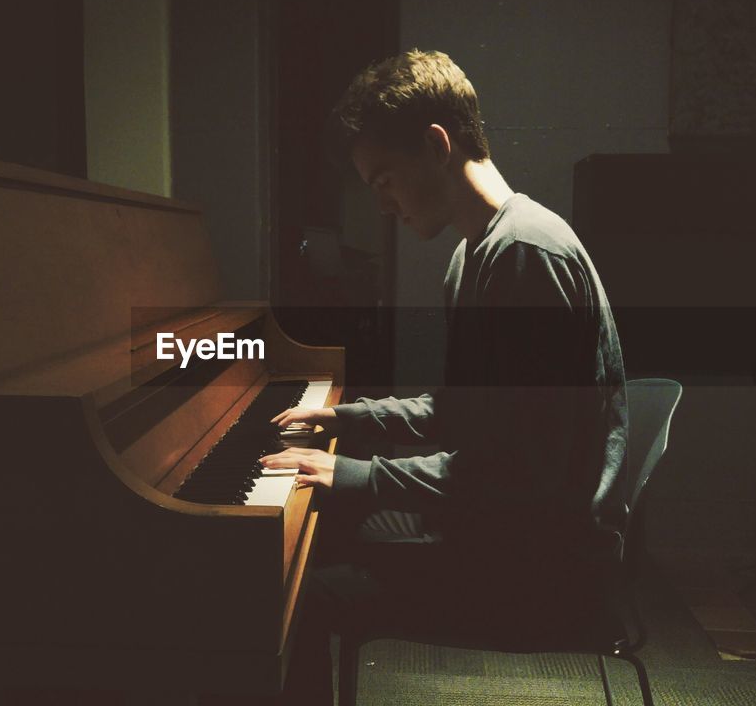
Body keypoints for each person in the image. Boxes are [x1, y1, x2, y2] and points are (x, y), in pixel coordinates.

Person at [259, 49, 627, 705]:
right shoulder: (473, 254)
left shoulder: (524, 255)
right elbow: (465, 412)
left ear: (436, 145)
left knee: (294, 592)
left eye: (384, 182)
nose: (384, 205)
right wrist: (348, 418)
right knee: (317, 539)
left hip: (540, 576)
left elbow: (517, 474)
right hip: (508, 542)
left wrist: (355, 476)